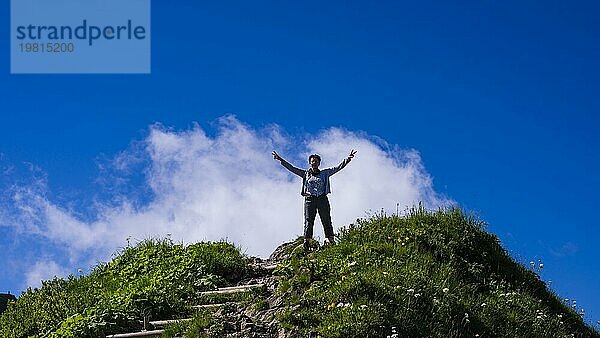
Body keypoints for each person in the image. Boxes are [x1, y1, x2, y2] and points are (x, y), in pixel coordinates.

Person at [272, 149, 357, 251]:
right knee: (309, 220)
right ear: (310, 163)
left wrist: (348, 159)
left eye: (316, 161)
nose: (314, 163)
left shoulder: (325, 173)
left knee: (326, 219)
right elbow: (292, 168)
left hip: (322, 198)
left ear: (319, 163)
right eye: (312, 161)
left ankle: (330, 239)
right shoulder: (305, 174)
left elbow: (338, 168)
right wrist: (280, 159)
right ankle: (307, 241)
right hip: (310, 199)